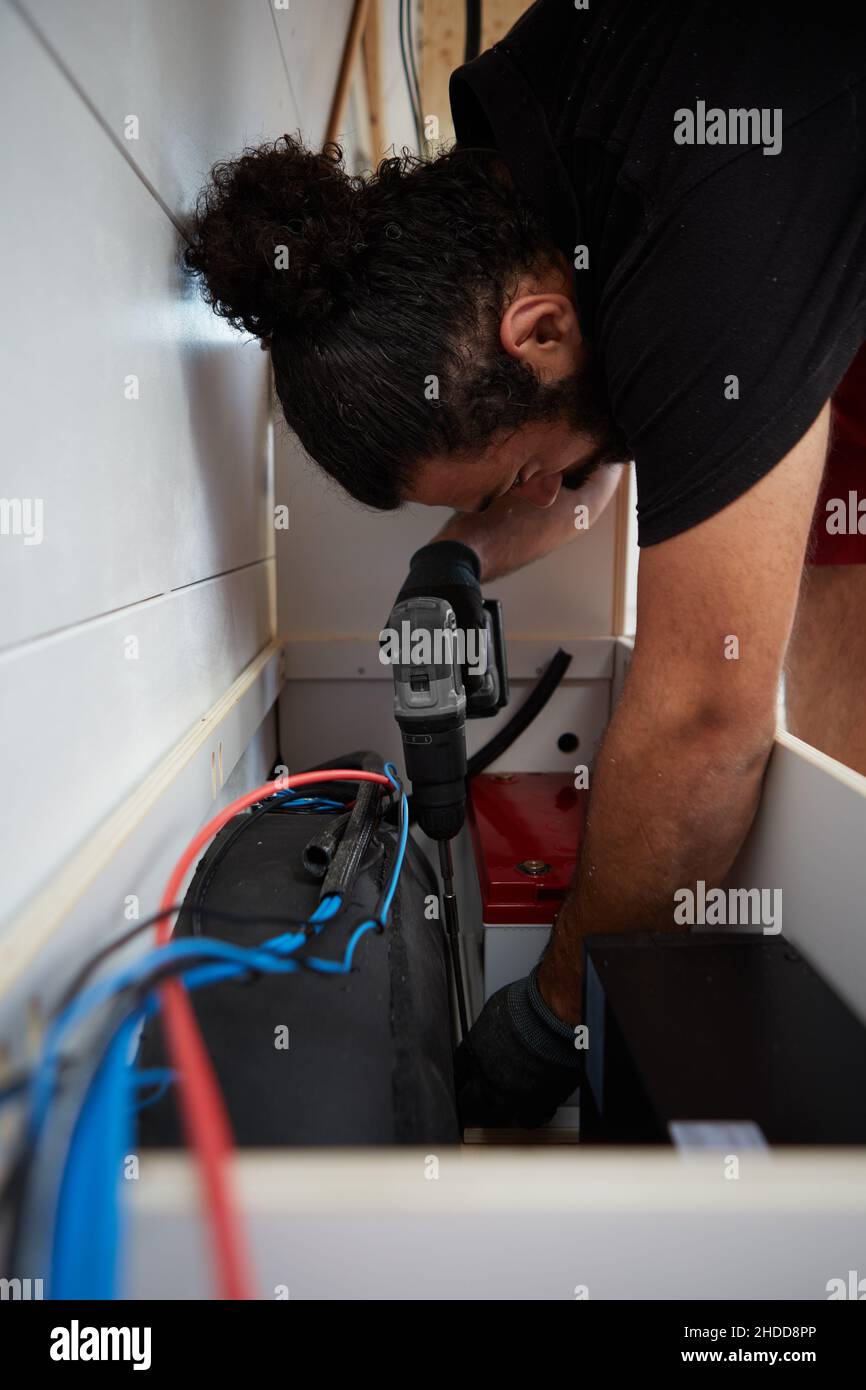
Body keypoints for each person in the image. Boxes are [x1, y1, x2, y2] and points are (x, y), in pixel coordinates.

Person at [184, 0, 866, 1126]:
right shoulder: (517, 189)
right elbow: (599, 442)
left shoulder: (701, 220)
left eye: (509, 478)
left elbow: (705, 722)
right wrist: (459, 557)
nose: (529, 501)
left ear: (538, 331)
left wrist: (552, 1010)